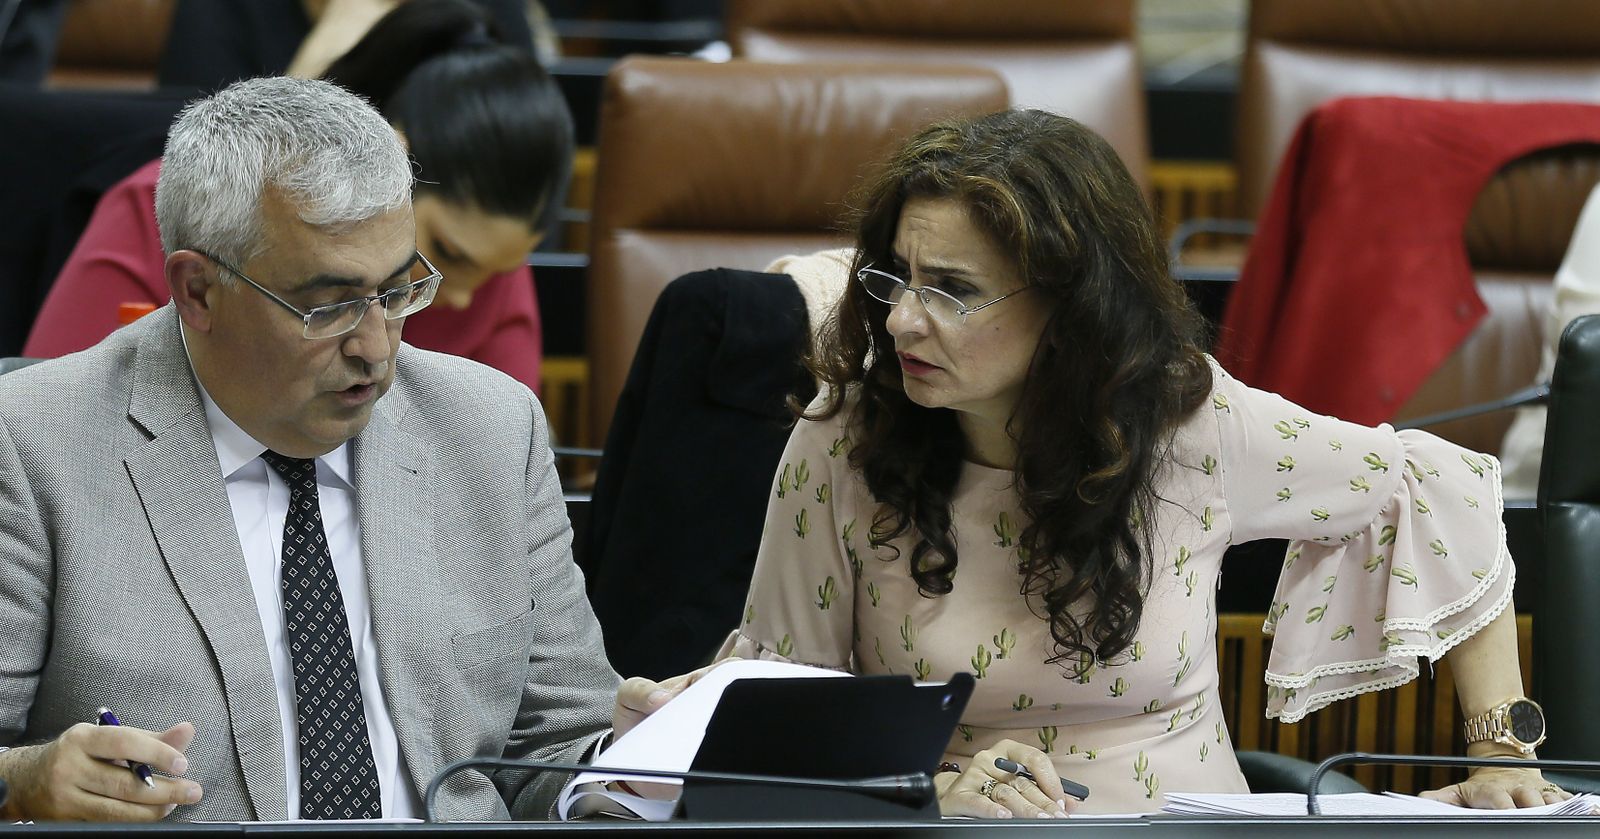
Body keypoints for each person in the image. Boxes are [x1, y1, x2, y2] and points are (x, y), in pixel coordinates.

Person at [721, 109, 1568, 817]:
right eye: (894, 278)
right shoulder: (844, 441)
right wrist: (935, 791)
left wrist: (1505, 752)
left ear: (1072, 304)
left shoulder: (1190, 423)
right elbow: (789, 726)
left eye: (951, 289)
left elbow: (1432, 484)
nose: (903, 319)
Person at [0, 75, 673, 823]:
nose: (376, 347)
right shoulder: (33, 442)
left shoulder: (492, 430)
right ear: (197, 290)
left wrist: (633, 757)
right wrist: (24, 780)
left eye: (395, 291)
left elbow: (558, 746)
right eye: (329, 305)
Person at [24, 0, 565, 395]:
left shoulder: (487, 263)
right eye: (447, 253)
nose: (464, 295)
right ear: (393, 164)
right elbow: (52, 432)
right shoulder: (166, 211)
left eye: (496, 270)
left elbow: (491, 470)